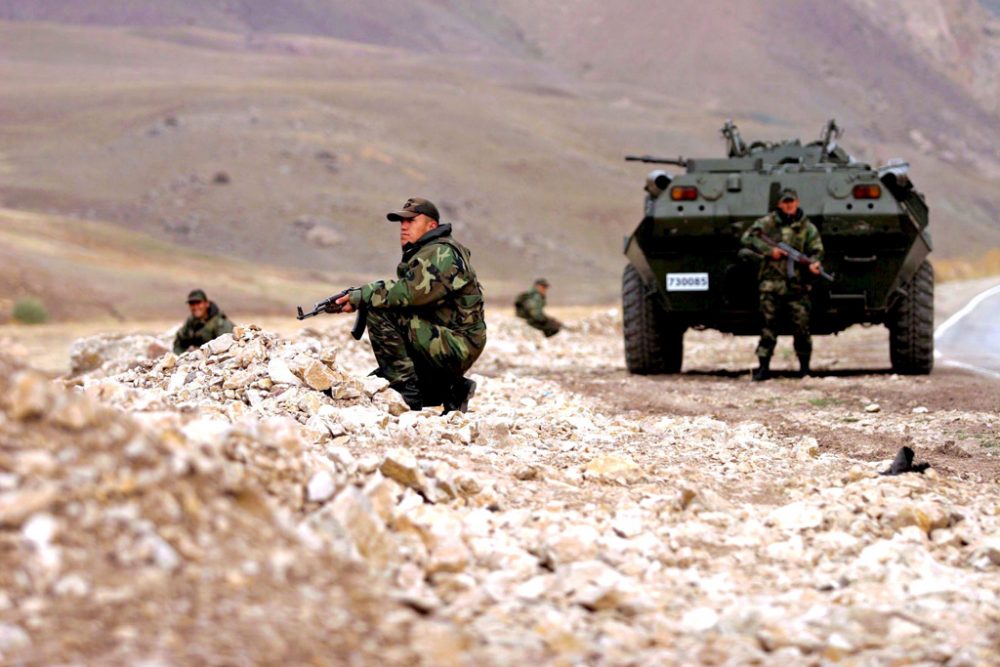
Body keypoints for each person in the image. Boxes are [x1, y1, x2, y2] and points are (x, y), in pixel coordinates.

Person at [333, 197, 486, 412]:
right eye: (401, 222)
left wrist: (363, 295)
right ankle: (452, 389)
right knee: (381, 381)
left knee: (380, 309)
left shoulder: (442, 252)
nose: (404, 227)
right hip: (443, 339)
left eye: (411, 221)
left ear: (431, 225)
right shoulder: (426, 252)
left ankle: (408, 395)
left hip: (458, 344)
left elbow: (411, 293)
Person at [741, 188, 824, 381]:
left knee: (802, 328)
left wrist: (814, 263)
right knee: (768, 327)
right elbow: (748, 238)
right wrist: (770, 251)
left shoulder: (806, 227)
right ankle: (763, 368)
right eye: (785, 202)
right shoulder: (767, 223)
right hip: (771, 285)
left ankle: (804, 369)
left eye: (791, 201)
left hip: (797, 286)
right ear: (779, 204)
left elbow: (816, 250)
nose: (788, 205)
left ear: (797, 202)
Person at [173, 289, 235, 354]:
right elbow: (179, 341)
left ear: (207, 304)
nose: (195, 307)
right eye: (192, 304)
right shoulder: (190, 322)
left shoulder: (220, 322)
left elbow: (225, 346)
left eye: (198, 303)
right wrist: (183, 356)